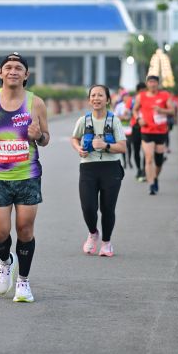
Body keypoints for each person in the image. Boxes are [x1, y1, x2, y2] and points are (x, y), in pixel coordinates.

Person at [0, 52, 49, 303]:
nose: (13, 71)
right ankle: (6, 262)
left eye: (18, 68)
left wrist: (39, 136)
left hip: (28, 175)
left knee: (25, 230)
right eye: (8, 67)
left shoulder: (36, 103)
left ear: (26, 75)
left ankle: (23, 282)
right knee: (0, 232)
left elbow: (46, 138)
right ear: (0, 73)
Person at [71, 84, 126, 257]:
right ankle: (93, 232)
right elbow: (74, 138)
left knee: (107, 208)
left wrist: (106, 145)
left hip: (111, 168)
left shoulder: (114, 120)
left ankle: (106, 243)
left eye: (100, 95)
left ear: (107, 99)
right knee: (88, 207)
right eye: (93, 95)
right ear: (89, 100)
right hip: (88, 168)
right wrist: (78, 149)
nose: (96, 98)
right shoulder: (83, 121)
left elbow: (122, 147)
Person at [132, 75, 174, 195]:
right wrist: (138, 119)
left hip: (161, 132)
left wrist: (162, 110)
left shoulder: (165, 95)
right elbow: (135, 110)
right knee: (149, 158)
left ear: (158, 84)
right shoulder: (141, 96)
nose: (152, 84)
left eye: (154, 82)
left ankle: (155, 177)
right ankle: (151, 184)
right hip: (147, 131)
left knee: (159, 162)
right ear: (147, 84)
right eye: (150, 82)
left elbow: (172, 111)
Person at [125, 82, 146, 181]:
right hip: (135, 127)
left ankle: (144, 170)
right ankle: (139, 169)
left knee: (146, 150)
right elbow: (126, 111)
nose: (143, 93)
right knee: (136, 150)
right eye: (141, 91)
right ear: (138, 91)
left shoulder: (148, 99)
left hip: (146, 127)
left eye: (144, 91)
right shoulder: (132, 100)